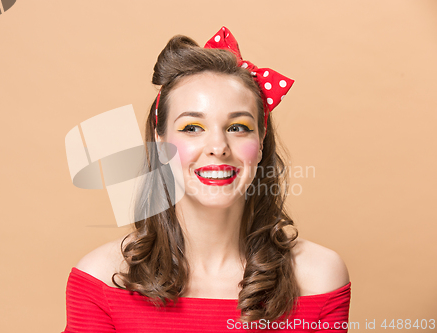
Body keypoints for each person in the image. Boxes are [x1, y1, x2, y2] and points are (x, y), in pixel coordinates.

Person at [61, 26, 351, 332]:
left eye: (238, 127)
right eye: (192, 127)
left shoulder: (320, 277)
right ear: (160, 143)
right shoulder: (101, 278)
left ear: (262, 141)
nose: (218, 147)